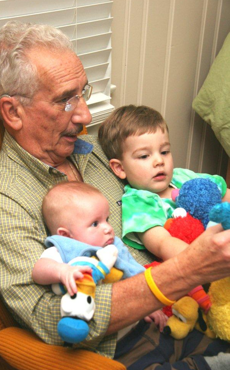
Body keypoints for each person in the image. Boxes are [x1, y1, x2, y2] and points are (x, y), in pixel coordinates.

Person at [0, 21, 230, 370]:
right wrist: (186, 270)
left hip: (184, 315)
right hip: (122, 358)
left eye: (83, 93)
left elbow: (161, 202)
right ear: (13, 112)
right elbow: (49, 320)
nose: (86, 116)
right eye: (65, 100)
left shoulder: (93, 154)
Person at [98, 105, 230, 261]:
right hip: (199, 262)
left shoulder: (183, 177)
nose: (159, 161)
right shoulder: (138, 202)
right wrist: (203, 257)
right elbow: (162, 243)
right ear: (120, 168)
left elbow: (223, 193)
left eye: (164, 152)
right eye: (144, 156)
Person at [32, 181, 167, 332]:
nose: (108, 228)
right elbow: (39, 271)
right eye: (95, 224)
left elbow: (135, 273)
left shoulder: (113, 247)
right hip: (101, 328)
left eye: (107, 220)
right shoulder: (64, 248)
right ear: (65, 235)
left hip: (135, 318)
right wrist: (62, 271)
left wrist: (148, 304)